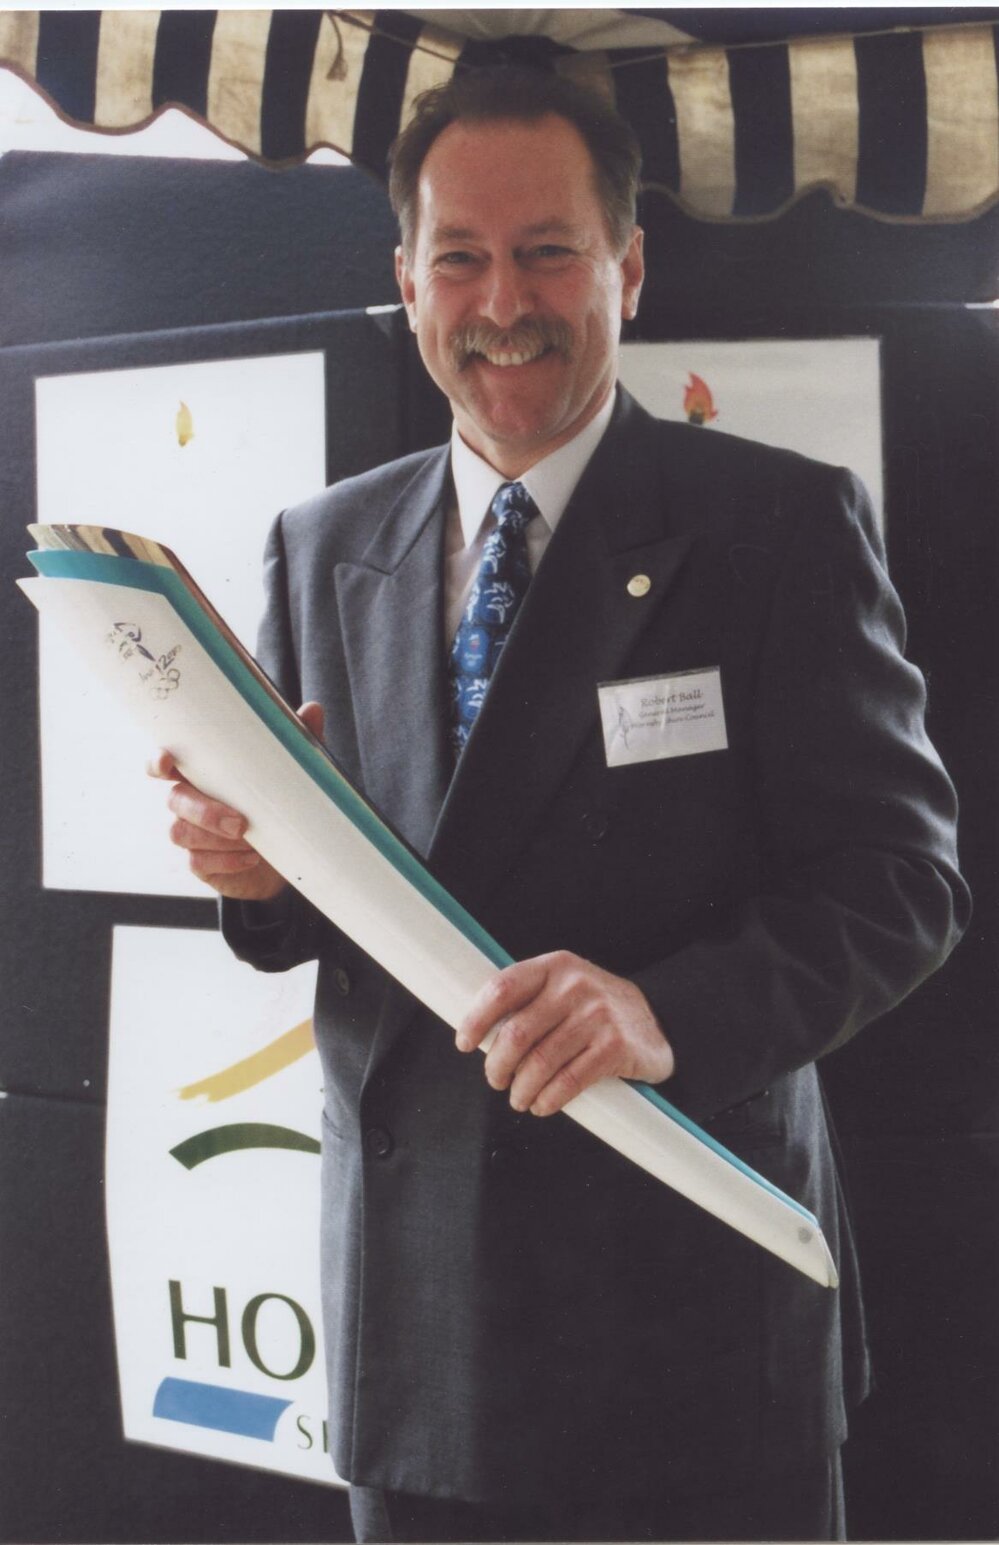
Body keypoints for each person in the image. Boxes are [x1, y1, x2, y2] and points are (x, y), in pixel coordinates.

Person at [151, 68, 969, 1544]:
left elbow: (902, 885)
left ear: (628, 268)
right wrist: (255, 875)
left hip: (693, 1316)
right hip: (419, 1328)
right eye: (460, 257)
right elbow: (321, 917)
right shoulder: (320, 545)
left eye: (547, 252)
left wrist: (666, 1010)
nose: (502, 302)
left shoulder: (777, 524)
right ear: (408, 281)